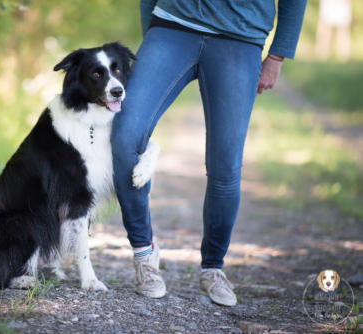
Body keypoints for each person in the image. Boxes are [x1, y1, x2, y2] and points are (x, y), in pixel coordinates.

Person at [111, 0, 307, 305]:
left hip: (241, 39)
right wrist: (152, 29)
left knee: (225, 166)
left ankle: (213, 268)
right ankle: (144, 254)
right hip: (173, 26)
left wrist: (278, 55)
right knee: (124, 136)